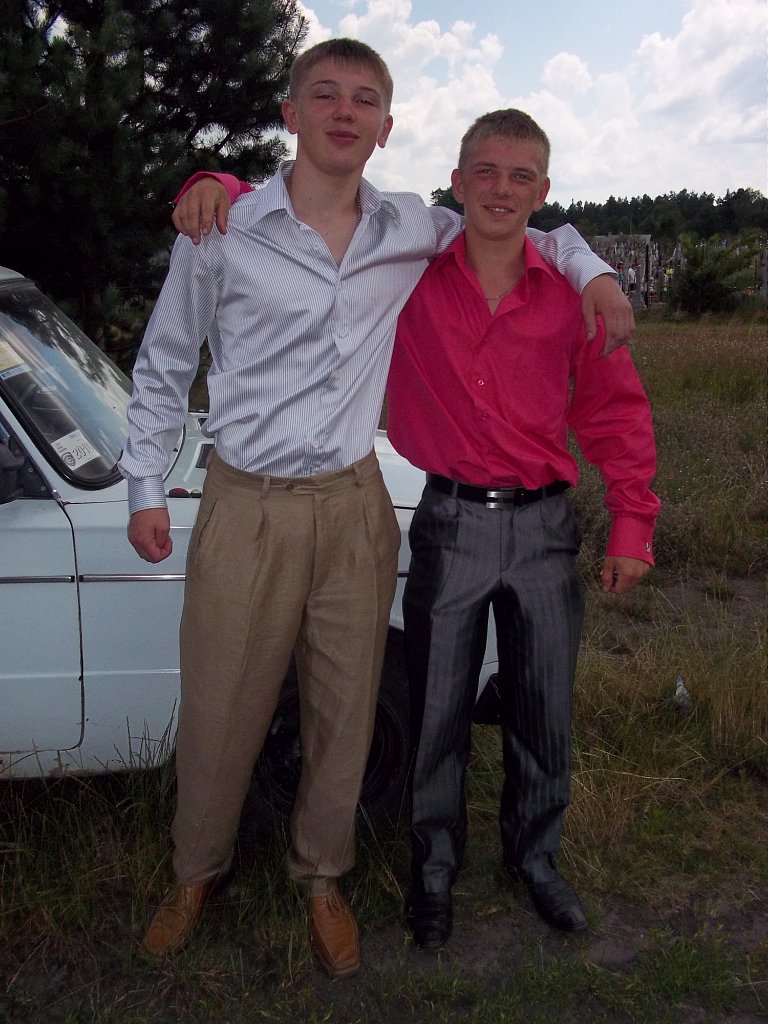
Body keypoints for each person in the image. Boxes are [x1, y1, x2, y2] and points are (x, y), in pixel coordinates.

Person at [122, 39, 632, 978]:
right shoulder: (223, 230)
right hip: (248, 502)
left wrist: (592, 267)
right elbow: (162, 363)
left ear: (387, 128)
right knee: (222, 704)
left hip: (355, 500)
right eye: (325, 95)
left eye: (364, 100)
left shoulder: (409, 228)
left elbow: (523, 227)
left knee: (346, 706)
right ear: (293, 114)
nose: (344, 112)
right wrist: (145, 486)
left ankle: (323, 877)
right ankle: (195, 873)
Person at [385, 109, 660, 950]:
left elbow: (615, 413)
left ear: (542, 191)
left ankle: (535, 860)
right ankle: (434, 870)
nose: (501, 190)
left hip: (543, 528)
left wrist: (632, 525)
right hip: (449, 522)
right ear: (458, 182)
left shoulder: (573, 296)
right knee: (437, 712)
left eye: (520, 176)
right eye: (486, 172)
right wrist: (219, 184)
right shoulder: (409, 276)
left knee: (542, 708)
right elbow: (323, 206)